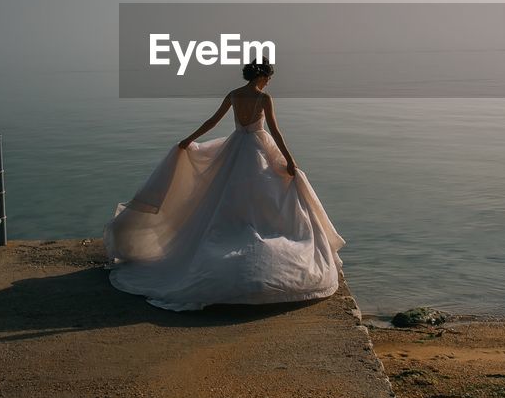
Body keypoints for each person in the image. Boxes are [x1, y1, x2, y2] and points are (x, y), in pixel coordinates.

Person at [103, 59, 345, 311]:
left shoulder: (234, 95)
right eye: (269, 77)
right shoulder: (264, 98)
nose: (270, 81)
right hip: (257, 150)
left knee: (226, 195)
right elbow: (275, 130)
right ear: (262, 76)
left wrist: (188, 140)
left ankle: (233, 232)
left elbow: (212, 122)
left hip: (235, 147)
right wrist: (290, 160)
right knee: (269, 194)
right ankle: (254, 237)